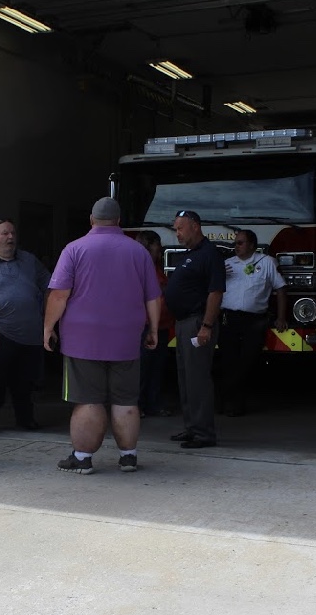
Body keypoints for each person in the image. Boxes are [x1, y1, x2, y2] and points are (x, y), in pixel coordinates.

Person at [43, 198, 161, 475]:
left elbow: (59, 294)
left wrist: (48, 327)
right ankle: (128, 457)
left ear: (91, 220)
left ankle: (82, 459)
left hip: (82, 339)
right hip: (126, 338)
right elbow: (153, 296)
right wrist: (154, 329)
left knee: (88, 399)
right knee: (126, 400)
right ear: (119, 221)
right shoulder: (138, 252)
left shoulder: (74, 249)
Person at [0, 218, 51, 434]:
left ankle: (25, 418)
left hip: (29, 333)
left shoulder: (29, 260)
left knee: (25, 381)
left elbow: (51, 285)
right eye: (5, 233)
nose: (10, 237)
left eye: (13, 233)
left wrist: (47, 315)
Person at [163, 209, 225, 449]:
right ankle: (191, 427)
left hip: (198, 323)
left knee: (197, 379)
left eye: (180, 228)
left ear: (195, 226)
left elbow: (215, 292)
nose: (177, 233)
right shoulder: (191, 254)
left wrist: (207, 326)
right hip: (183, 323)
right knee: (185, 378)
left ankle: (204, 433)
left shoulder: (210, 254)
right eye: (176, 229)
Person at [220, 229, 287, 416]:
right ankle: (230, 404)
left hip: (254, 321)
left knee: (246, 362)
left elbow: (281, 289)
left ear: (252, 245)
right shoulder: (226, 264)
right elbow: (213, 290)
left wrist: (281, 318)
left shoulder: (266, 263)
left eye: (240, 243)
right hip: (229, 318)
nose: (236, 247)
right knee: (228, 361)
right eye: (235, 243)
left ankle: (231, 399)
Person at [135, 230, 175, 418]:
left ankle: (152, 404)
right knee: (143, 368)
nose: (160, 250)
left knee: (156, 368)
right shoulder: (137, 268)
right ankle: (138, 405)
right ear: (147, 246)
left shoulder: (155, 268)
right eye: (157, 246)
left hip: (162, 325)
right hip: (145, 326)